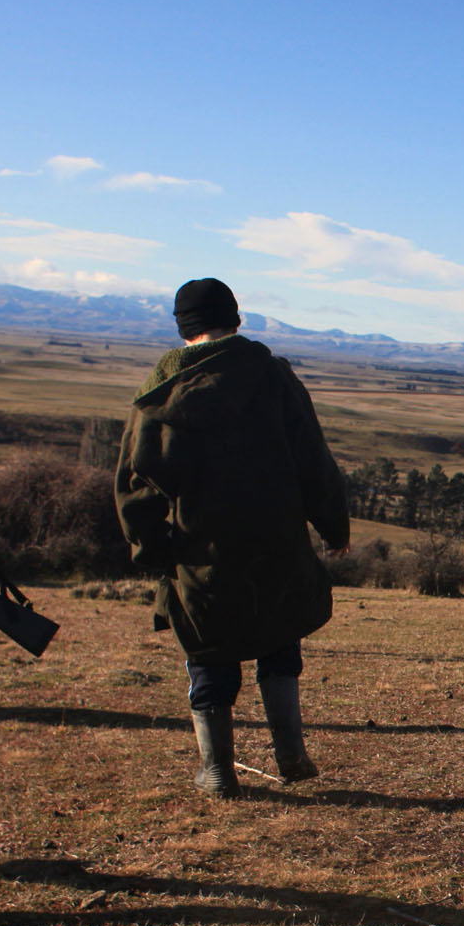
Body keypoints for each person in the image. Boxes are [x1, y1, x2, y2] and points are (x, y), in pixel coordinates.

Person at [115, 278, 351, 797]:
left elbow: (136, 481)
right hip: (277, 538)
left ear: (183, 328)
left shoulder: (160, 390)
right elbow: (312, 458)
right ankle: (290, 751)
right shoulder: (272, 375)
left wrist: (152, 548)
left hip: (199, 547)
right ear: (235, 319)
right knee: (278, 636)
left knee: (208, 648)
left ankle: (217, 769)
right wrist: (333, 525)